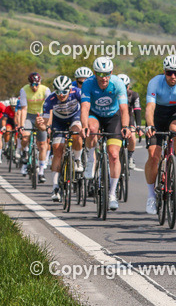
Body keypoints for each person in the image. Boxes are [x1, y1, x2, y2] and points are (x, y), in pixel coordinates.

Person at [143, 55, 176, 215]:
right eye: (169, 73)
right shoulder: (155, 82)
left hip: (174, 113)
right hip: (157, 116)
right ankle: (151, 196)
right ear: (164, 71)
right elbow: (150, 108)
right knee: (153, 156)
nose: (173, 76)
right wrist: (150, 125)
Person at [79, 57, 131, 210]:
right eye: (100, 74)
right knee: (92, 129)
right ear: (95, 73)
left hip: (113, 117)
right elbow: (85, 108)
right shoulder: (88, 83)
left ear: (111, 72)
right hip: (95, 115)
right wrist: (84, 126)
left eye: (107, 73)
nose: (103, 77)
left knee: (114, 155)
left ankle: (112, 194)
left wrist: (126, 126)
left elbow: (123, 109)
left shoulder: (117, 84)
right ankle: (90, 159)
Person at [38, 75, 84, 201]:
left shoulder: (78, 92)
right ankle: (55, 187)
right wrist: (40, 124)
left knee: (76, 134)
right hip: (59, 121)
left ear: (70, 89)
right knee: (57, 149)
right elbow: (46, 123)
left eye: (64, 91)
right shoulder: (50, 99)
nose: (61, 94)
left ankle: (77, 160)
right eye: (58, 91)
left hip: (75, 117)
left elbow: (86, 108)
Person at [16, 72, 51, 180]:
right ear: (29, 83)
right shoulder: (24, 90)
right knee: (25, 136)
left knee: (42, 144)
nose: (34, 87)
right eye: (32, 85)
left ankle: (41, 172)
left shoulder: (45, 90)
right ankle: (25, 151)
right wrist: (21, 126)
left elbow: (50, 109)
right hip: (29, 116)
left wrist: (48, 125)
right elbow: (24, 109)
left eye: (37, 84)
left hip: (41, 116)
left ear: (40, 83)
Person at [116, 74, 143, 169]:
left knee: (131, 136)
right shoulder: (113, 94)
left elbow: (137, 110)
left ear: (128, 86)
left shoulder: (134, 95)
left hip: (129, 118)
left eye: (125, 87)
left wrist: (138, 126)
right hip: (116, 118)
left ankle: (130, 156)